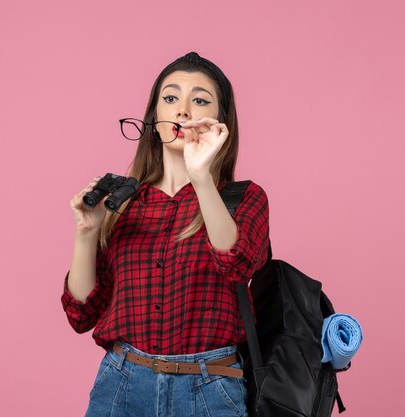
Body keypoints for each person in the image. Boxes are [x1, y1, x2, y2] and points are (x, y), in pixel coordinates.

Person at [61, 51, 270, 417]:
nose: (183, 111)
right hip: (121, 385)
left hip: (209, 388)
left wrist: (201, 175)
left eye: (200, 100)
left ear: (220, 122)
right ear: (154, 116)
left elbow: (235, 263)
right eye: (171, 98)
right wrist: (87, 232)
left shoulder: (243, 199)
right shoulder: (121, 203)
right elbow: (82, 314)